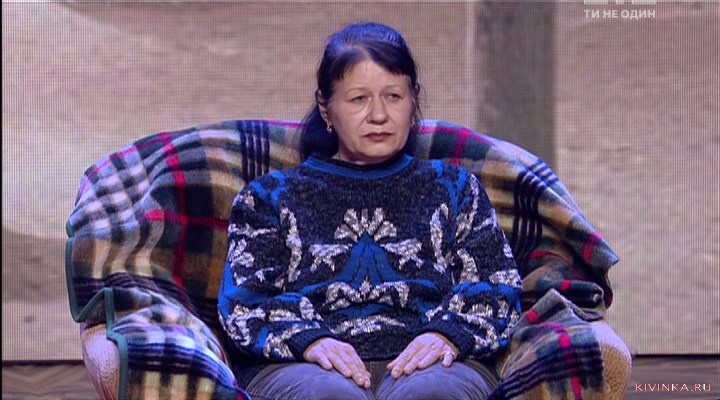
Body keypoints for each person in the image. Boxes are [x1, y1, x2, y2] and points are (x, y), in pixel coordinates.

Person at [218, 21, 522, 400]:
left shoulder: (455, 188)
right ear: (326, 108)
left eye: (393, 96)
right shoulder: (269, 198)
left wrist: (447, 333)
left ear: (414, 101)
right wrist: (310, 340)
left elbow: (498, 287)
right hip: (306, 364)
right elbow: (245, 302)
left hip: (433, 361)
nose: (378, 115)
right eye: (358, 99)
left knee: (430, 394)